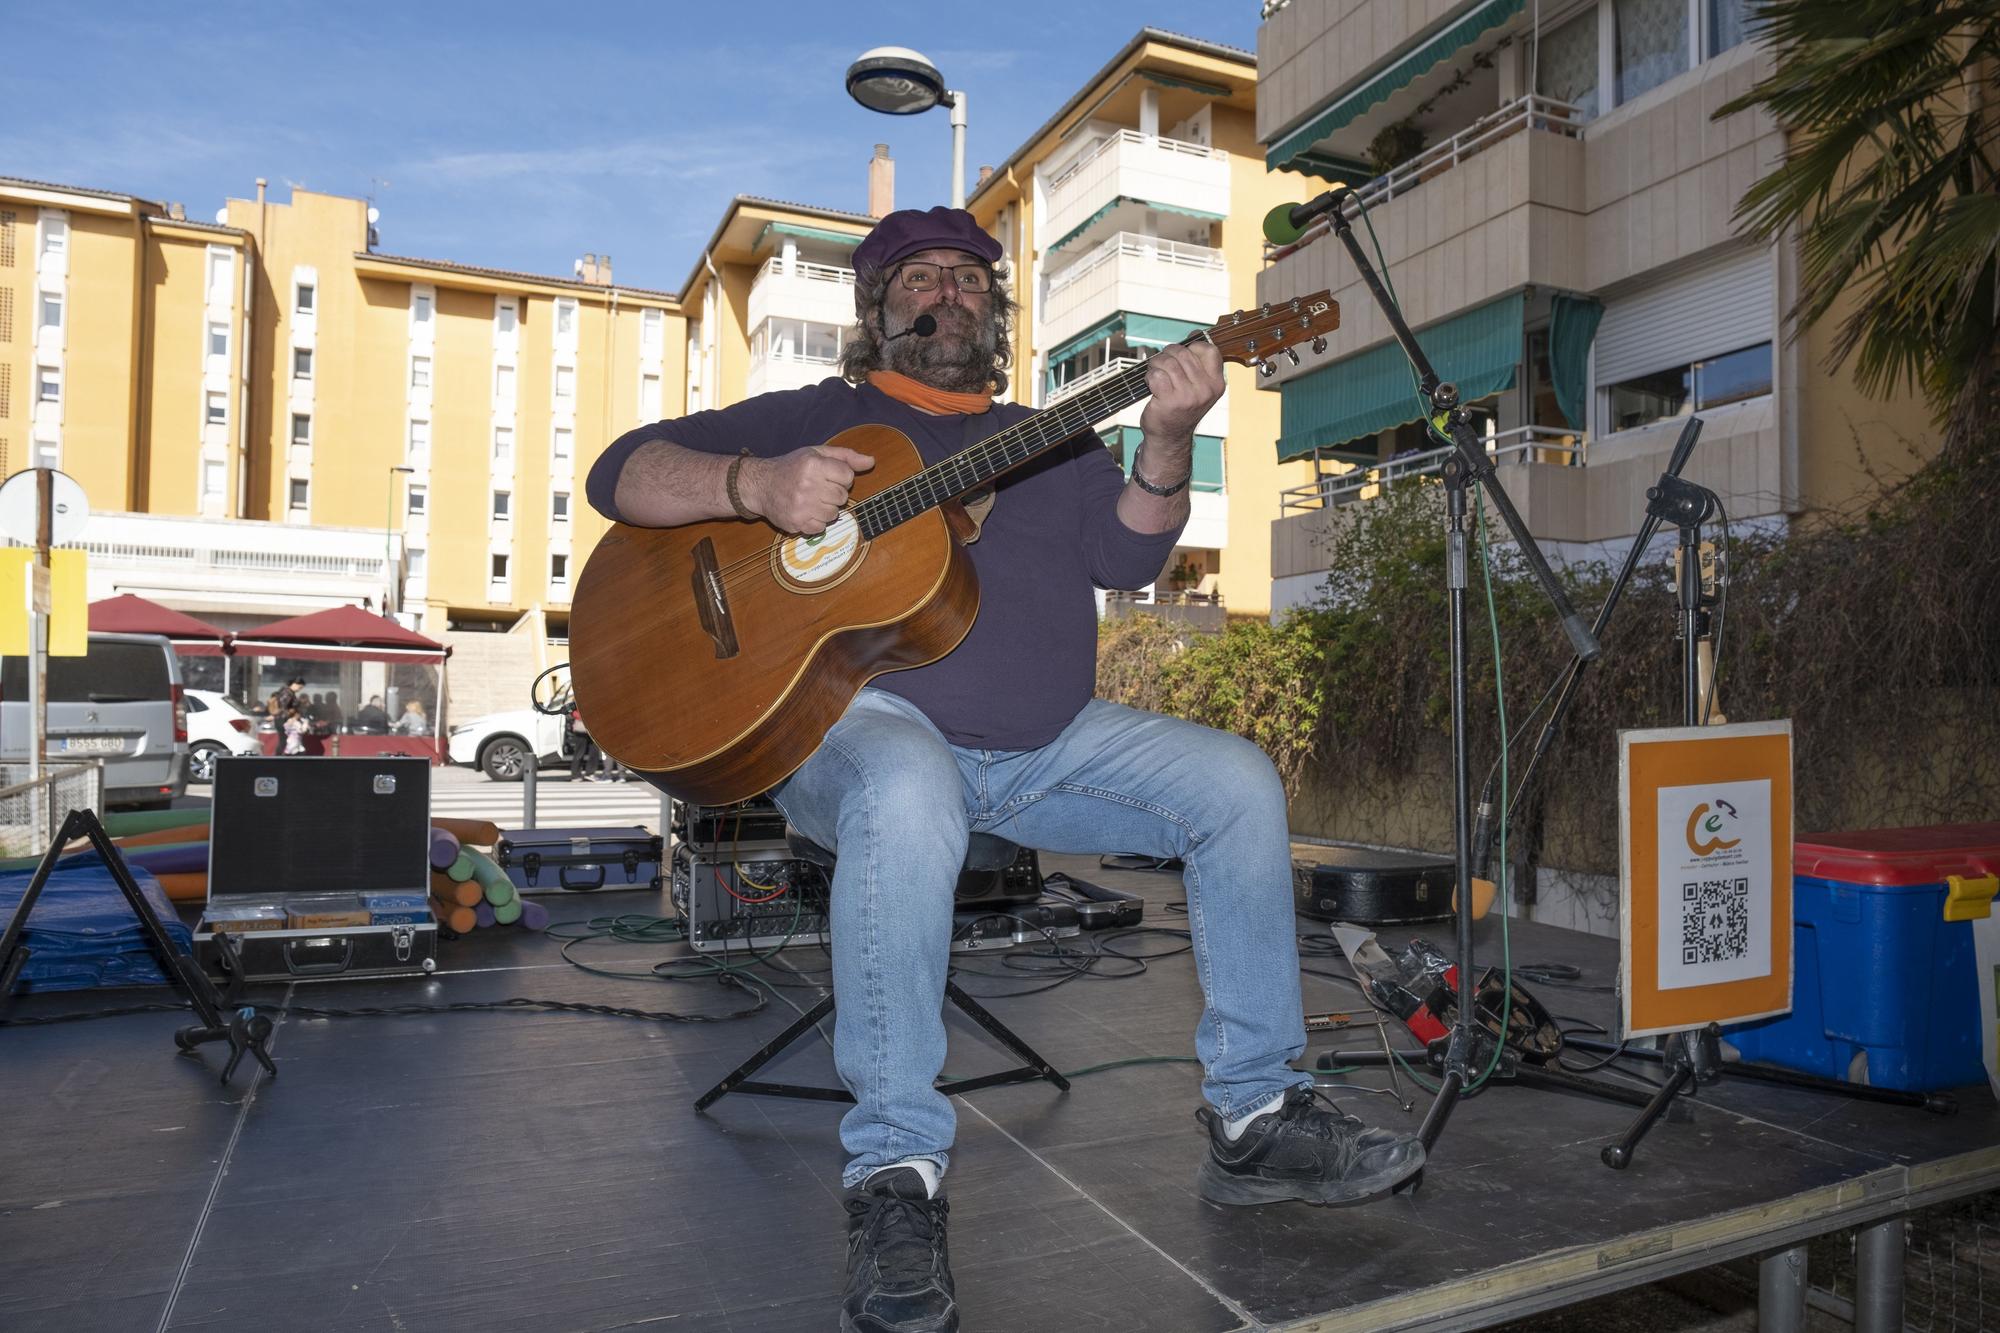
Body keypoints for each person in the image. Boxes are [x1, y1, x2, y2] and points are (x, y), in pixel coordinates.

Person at [585, 207, 1422, 1333]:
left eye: (972, 279)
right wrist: (756, 486)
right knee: (907, 783)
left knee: (1235, 782)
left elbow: (1127, 553)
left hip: (1041, 746)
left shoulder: (1051, 434)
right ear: (876, 307)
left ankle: (1255, 1117)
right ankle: (894, 1174)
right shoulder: (818, 419)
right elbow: (619, 474)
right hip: (857, 732)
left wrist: (1167, 437)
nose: (949, 294)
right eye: (920, 277)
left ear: (996, 307)